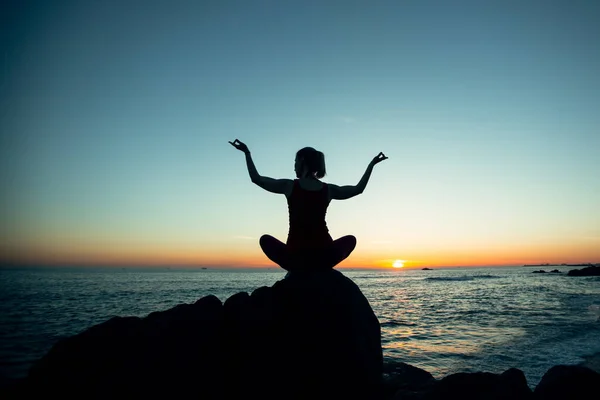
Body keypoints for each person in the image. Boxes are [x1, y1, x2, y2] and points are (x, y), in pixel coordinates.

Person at [229, 139, 387, 272]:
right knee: (350, 240)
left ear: (303, 160)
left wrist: (247, 153)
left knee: (265, 240)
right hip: (323, 255)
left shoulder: (289, 186)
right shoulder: (328, 190)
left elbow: (257, 179)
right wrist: (371, 165)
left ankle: (300, 270)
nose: (294, 166)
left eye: (295, 161)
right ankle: (318, 269)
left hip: (295, 256)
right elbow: (358, 189)